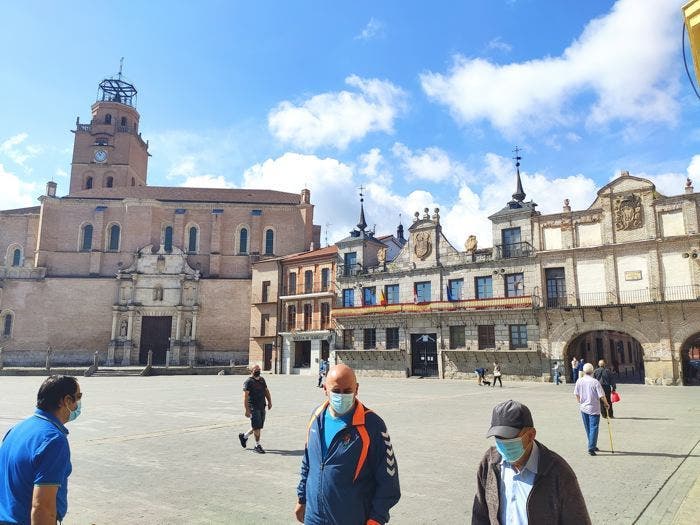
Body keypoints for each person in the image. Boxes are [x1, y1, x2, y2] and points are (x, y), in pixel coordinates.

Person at [295, 364, 401, 524]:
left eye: (347, 391)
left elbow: (389, 480)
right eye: (336, 391)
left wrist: (377, 518)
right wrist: (301, 498)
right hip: (314, 517)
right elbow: (308, 463)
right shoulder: (316, 418)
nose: (342, 396)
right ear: (325, 389)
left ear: (357, 389)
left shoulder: (372, 425)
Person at [472, 399, 591, 524]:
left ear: (531, 435)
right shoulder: (489, 462)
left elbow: (578, 520)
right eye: (498, 438)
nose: (503, 444)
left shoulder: (558, 472)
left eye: (510, 438)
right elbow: (480, 514)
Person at [0, 375, 82, 524]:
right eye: (78, 397)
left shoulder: (17, 428)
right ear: (67, 401)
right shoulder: (53, 440)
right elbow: (42, 508)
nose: (79, 404)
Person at [574, 363, 610, 456]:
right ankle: (591, 447)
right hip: (593, 408)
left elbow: (576, 394)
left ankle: (592, 444)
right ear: (592, 371)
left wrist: (580, 401)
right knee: (594, 427)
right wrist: (606, 404)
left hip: (584, 408)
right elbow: (602, 395)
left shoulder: (579, 381)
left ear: (584, 371)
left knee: (588, 427)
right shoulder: (595, 382)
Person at [239, 364, 272, 454]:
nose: (258, 370)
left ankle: (244, 436)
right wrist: (247, 410)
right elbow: (245, 397)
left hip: (262, 406)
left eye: (259, 369)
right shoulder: (248, 382)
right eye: (256, 369)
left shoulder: (262, 380)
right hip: (253, 407)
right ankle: (257, 445)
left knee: (258, 426)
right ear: (251, 371)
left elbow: (266, 391)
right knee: (257, 427)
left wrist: (269, 402)